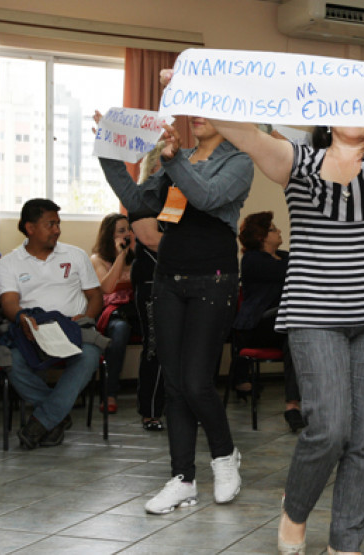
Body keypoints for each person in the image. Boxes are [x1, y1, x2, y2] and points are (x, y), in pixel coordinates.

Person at [181, 63, 364, 554]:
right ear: (328, 114)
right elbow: (246, 134)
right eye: (347, 103)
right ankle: (295, 507)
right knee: (329, 429)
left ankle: (346, 541)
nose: (356, 112)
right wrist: (192, 88)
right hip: (315, 315)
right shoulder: (298, 161)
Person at [98, 114, 253, 514]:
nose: (197, 117)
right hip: (169, 281)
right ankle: (183, 478)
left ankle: (224, 456)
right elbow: (137, 203)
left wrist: (172, 161)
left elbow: (206, 197)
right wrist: (109, 148)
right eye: (194, 111)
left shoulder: (238, 161)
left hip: (213, 280)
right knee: (174, 384)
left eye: (206, 110)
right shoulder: (175, 156)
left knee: (197, 380)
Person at [0, 199, 104, 448]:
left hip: (74, 328)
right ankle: (54, 416)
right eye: (50, 224)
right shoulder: (8, 263)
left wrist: (87, 318)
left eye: (58, 224)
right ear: (30, 228)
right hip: (33, 331)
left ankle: (42, 421)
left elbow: (95, 296)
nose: (57, 229)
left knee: (89, 356)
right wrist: (23, 318)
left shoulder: (75, 255)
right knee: (10, 359)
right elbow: (9, 303)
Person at [230, 211, 304, 433]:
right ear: (261, 236)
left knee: (298, 336)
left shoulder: (285, 256)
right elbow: (295, 270)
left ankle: (297, 406)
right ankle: (294, 405)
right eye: (273, 229)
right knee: (295, 331)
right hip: (259, 326)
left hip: (284, 324)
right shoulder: (252, 260)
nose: (279, 231)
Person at [129, 142, 167, 431]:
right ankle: (151, 410)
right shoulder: (142, 197)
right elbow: (152, 240)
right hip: (152, 280)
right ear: (156, 167)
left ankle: (181, 407)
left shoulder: (179, 198)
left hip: (181, 279)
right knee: (155, 345)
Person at [90, 213, 135, 415]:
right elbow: (107, 288)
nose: (127, 235)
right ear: (110, 235)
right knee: (119, 332)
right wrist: (120, 257)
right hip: (114, 312)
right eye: (121, 231)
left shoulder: (139, 258)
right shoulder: (97, 259)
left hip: (136, 309)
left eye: (129, 230)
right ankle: (109, 393)